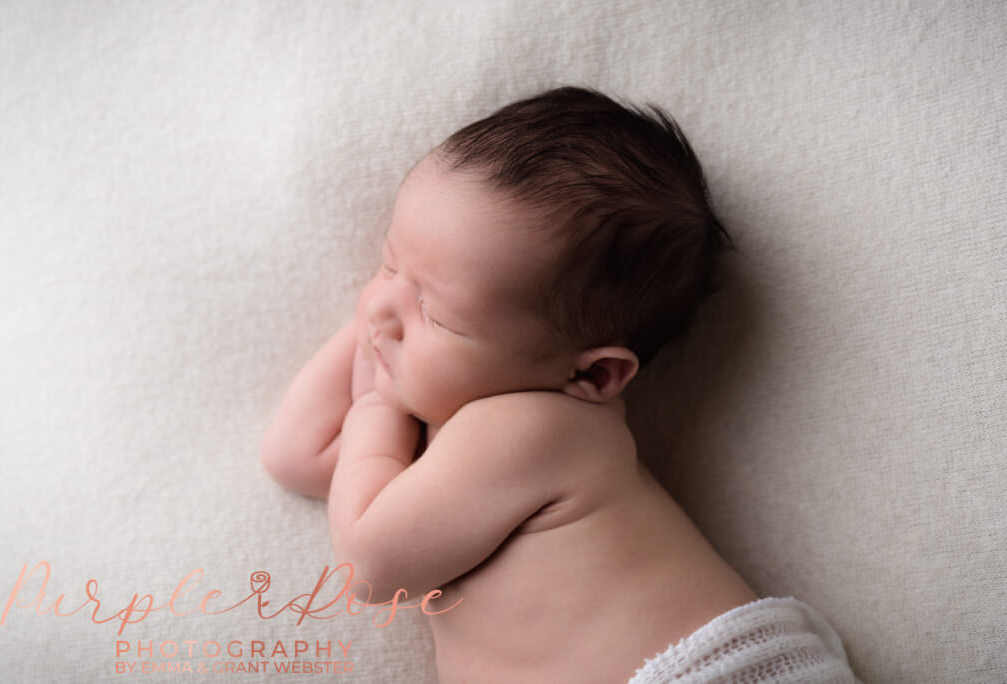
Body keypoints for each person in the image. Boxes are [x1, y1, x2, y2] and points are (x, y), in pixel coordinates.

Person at [262, 87, 859, 683]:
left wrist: (372, 401)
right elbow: (298, 456)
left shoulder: (538, 428)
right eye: (389, 263)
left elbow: (369, 566)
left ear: (593, 373)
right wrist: (383, 324)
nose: (381, 307)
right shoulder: (445, 431)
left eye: (436, 313)